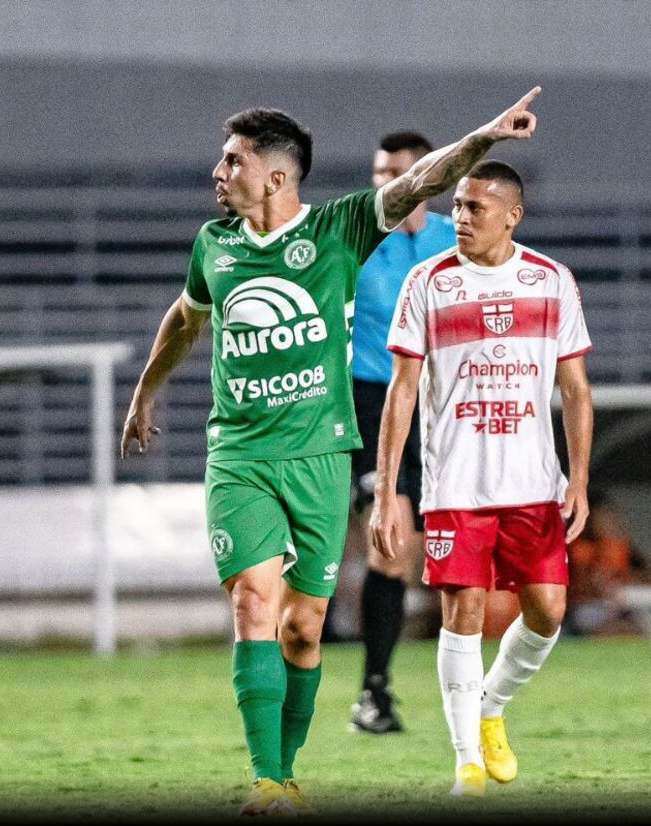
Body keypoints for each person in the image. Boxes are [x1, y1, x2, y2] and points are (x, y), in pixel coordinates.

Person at [120, 87, 543, 816]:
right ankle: (265, 780)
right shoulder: (211, 245)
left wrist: (484, 138)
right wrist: (144, 393)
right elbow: (186, 318)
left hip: (320, 453)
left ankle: (287, 770)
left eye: (232, 160)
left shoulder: (342, 228)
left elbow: (423, 183)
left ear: (276, 177)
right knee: (255, 600)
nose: (217, 171)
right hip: (240, 455)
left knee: (303, 626)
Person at [371, 159, 593, 797]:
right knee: (462, 611)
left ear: (512, 216)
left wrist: (577, 478)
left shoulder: (550, 281)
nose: (460, 217)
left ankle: (491, 705)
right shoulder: (428, 282)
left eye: (475, 208)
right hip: (456, 485)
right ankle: (467, 761)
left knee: (548, 612)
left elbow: (574, 389)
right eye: (459, 205)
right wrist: (388, 491)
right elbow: (402, 392)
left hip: (532, 484)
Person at [347, 131, 456, 735]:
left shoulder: (454, 239)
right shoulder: (356, 240)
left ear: (428, 177)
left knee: (433, 548)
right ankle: (374, 689)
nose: (384, 181)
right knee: (391, 541)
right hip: (370, 402)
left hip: (442, 405)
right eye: (378, 170)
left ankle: (462, 696)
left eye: (398, 171)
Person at [566, 493, 651, 637]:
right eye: (604, 518)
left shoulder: (618, 547)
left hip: (622, 608)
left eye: (612, 518)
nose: (611, 523)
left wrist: (627, 580)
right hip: (584, 611)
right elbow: (592, 584)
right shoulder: (577, 548)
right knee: (618, 631)